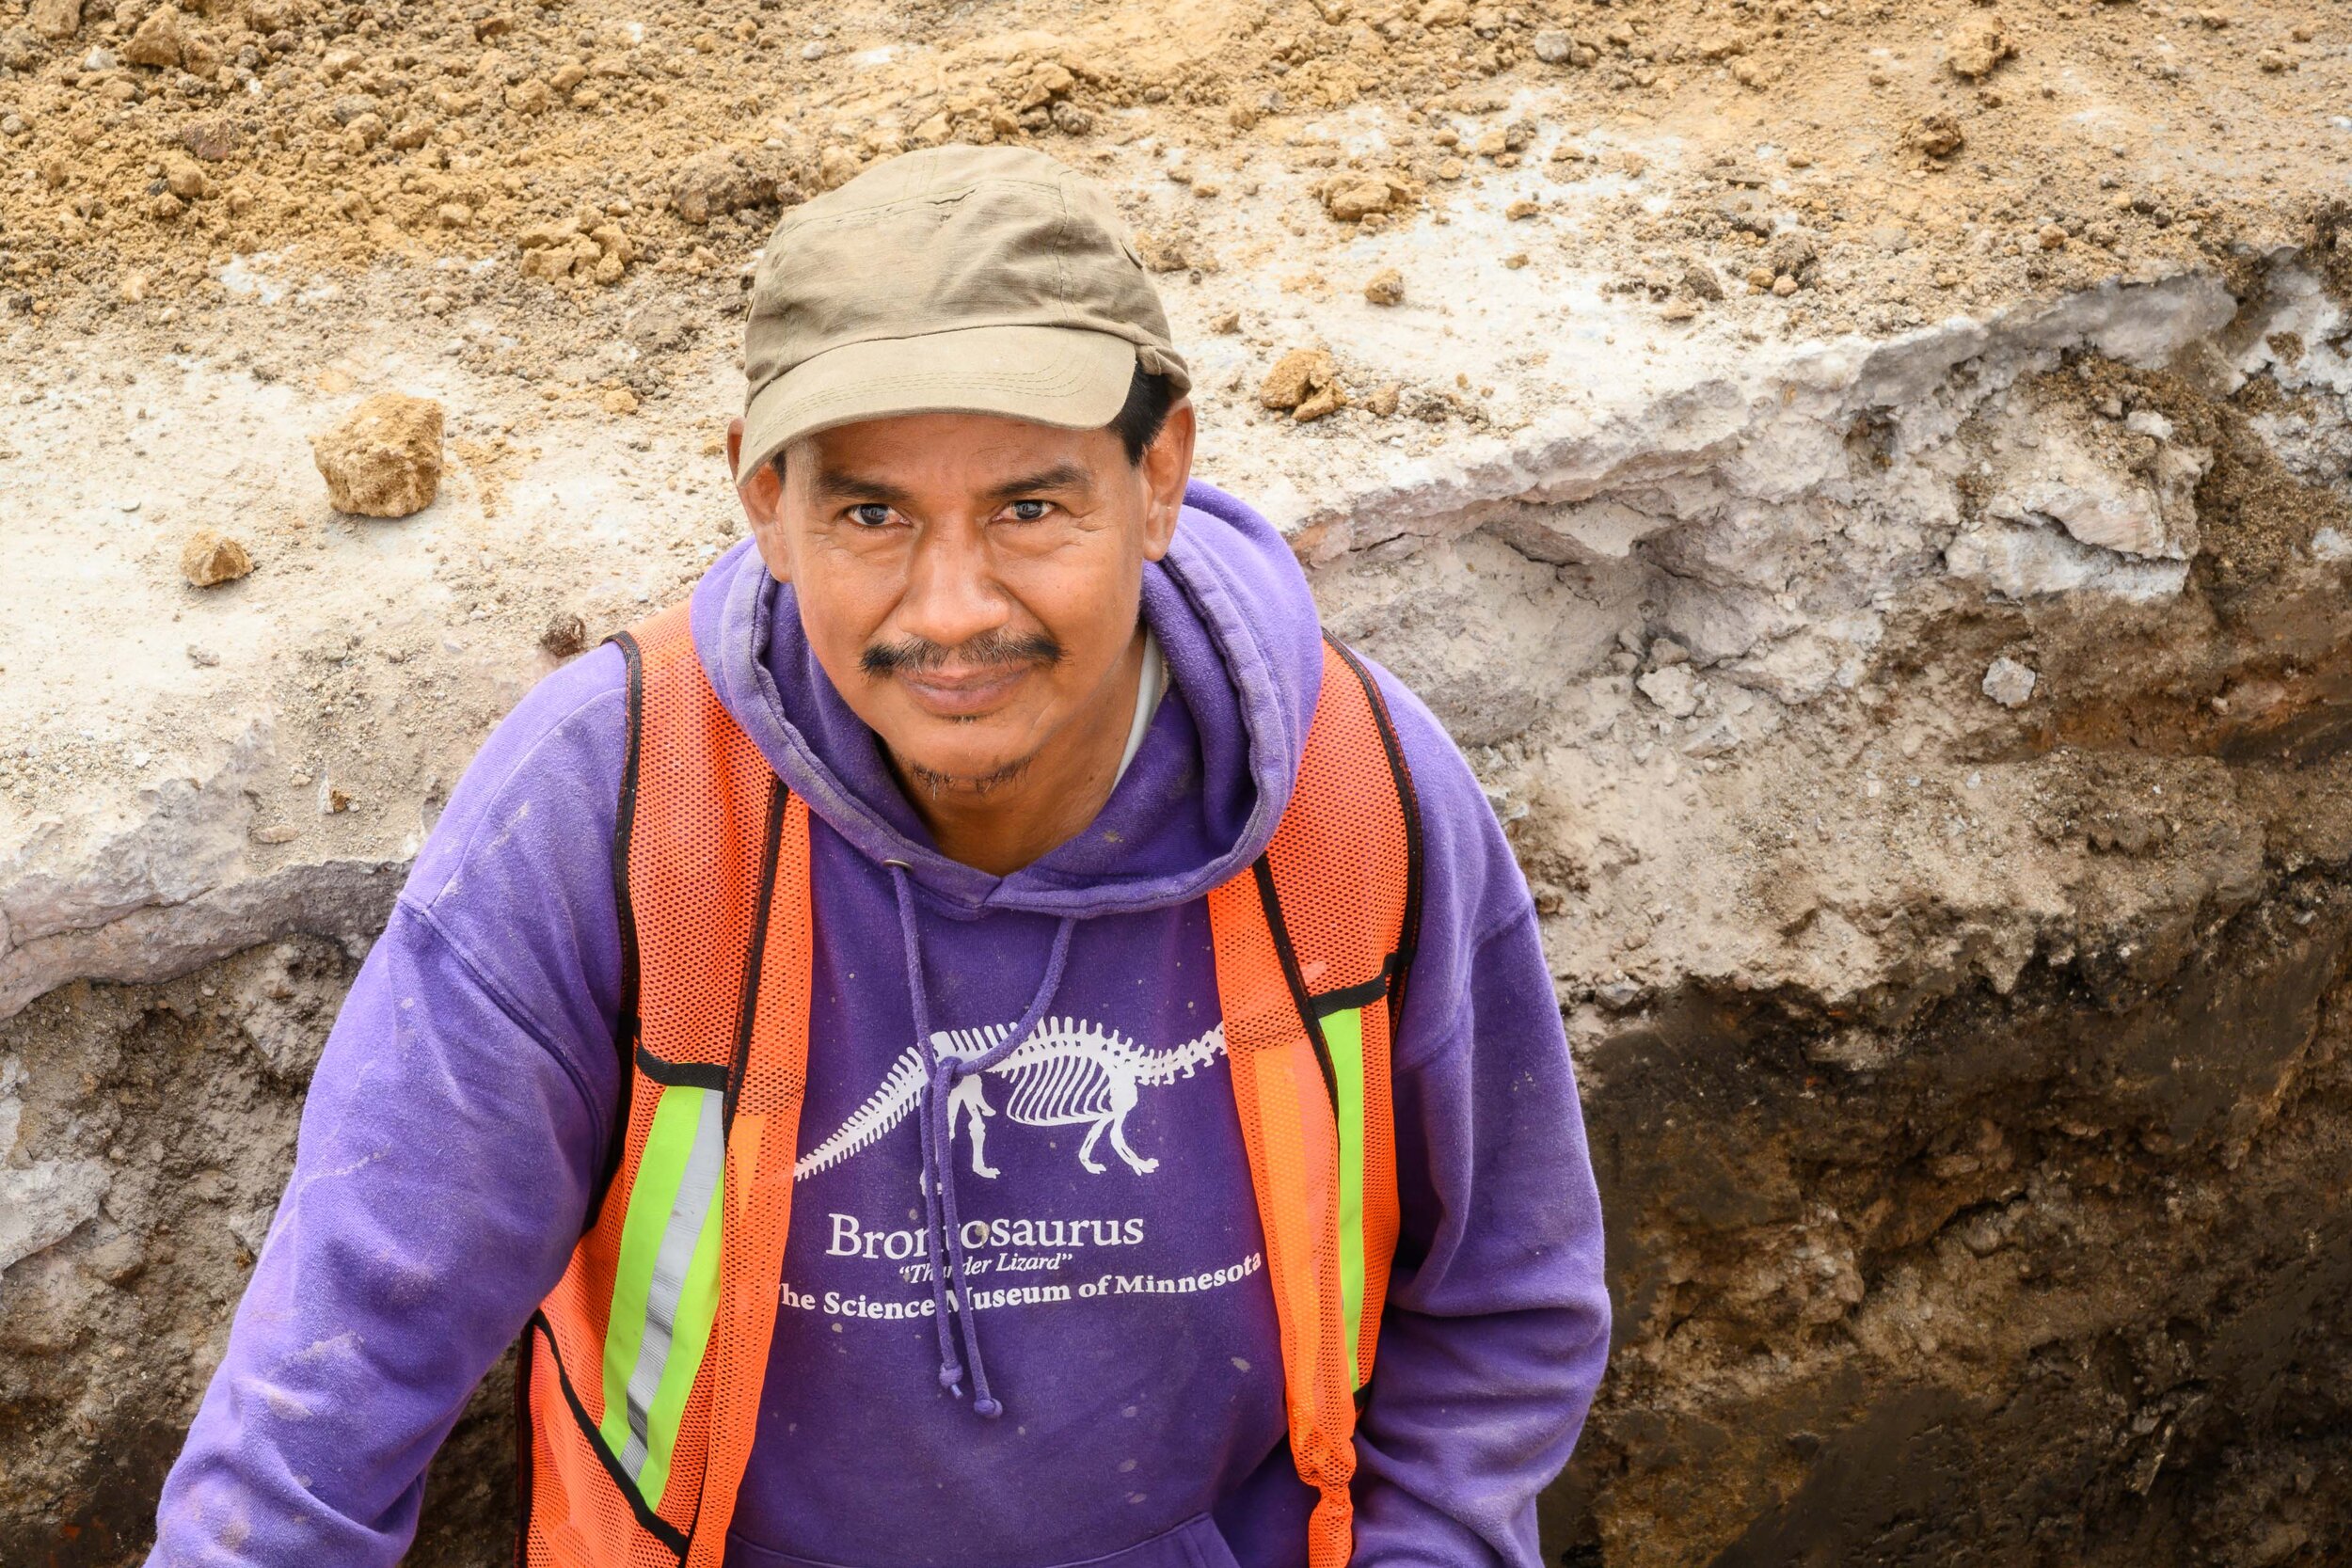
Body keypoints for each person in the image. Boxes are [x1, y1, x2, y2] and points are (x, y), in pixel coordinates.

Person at [146, 144, 1611, 1568]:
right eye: (871, 513)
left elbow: (1503, 1307)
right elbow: (335, 1376)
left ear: (1158, 477)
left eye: (1031, 508)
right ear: (765, 505)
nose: (953, 607)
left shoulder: (1352, 797)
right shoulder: (616, 809)